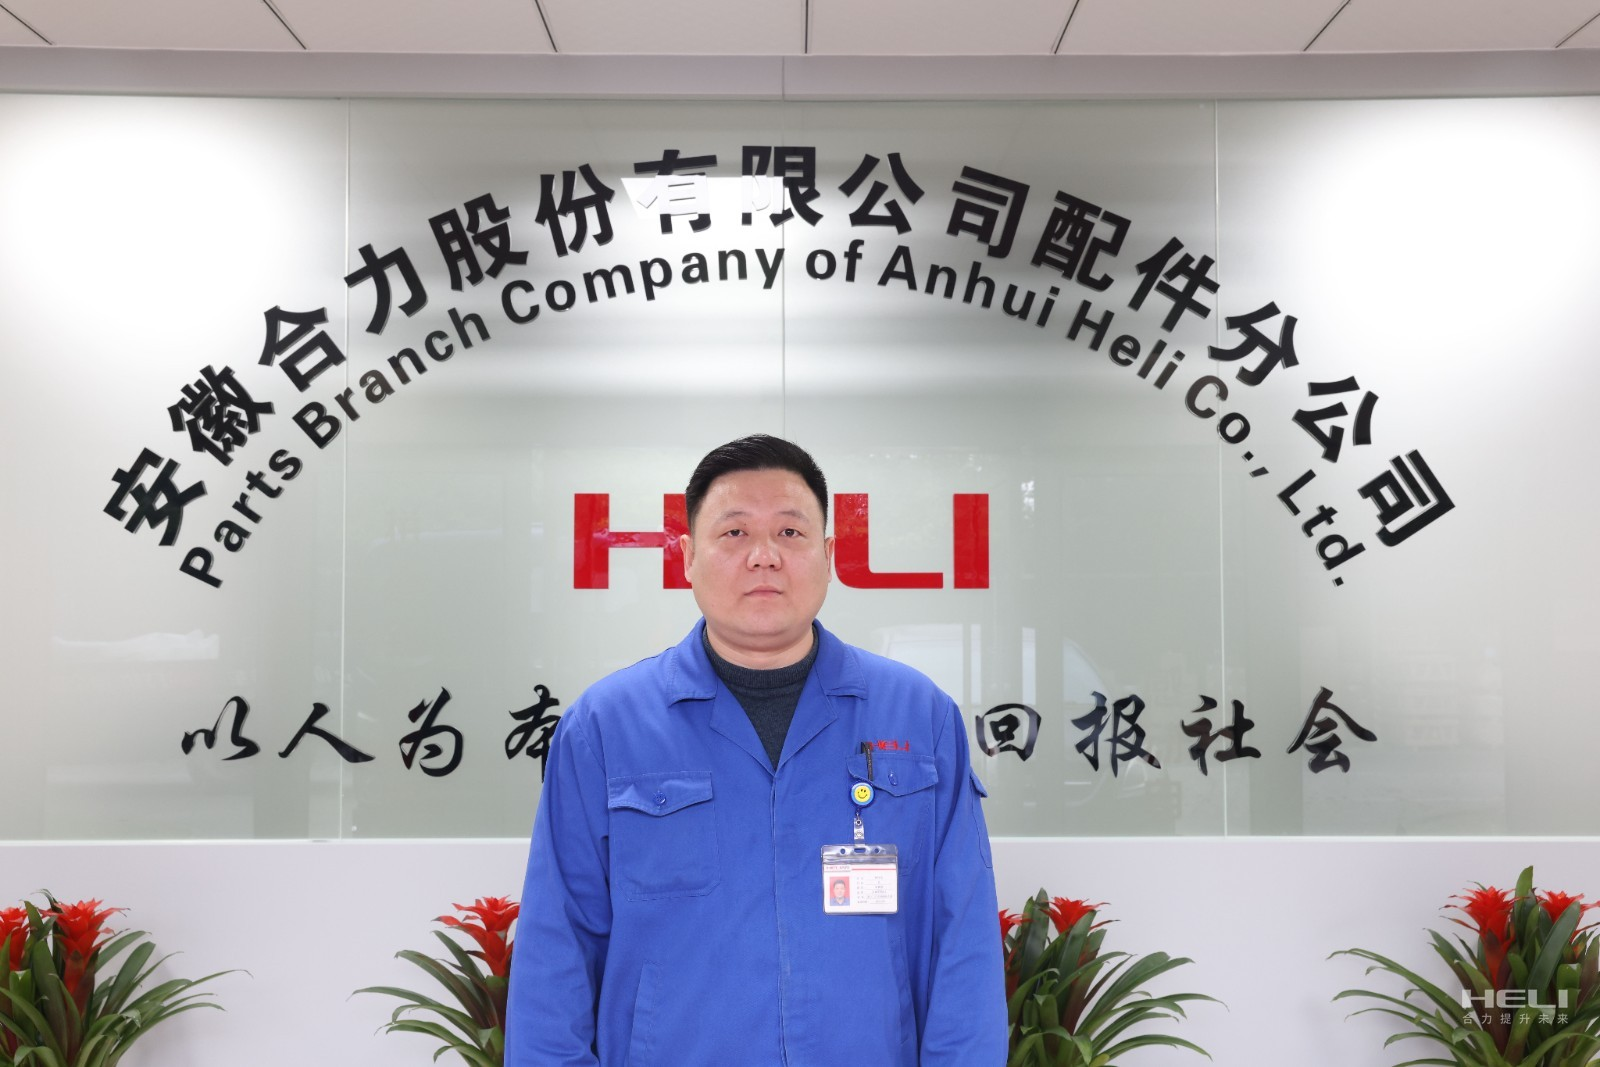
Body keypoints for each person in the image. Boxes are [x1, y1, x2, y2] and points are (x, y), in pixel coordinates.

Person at [506, 434, 1006, 1066]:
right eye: (735, 532)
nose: (764, 556)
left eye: (790, 533)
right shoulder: (605, 727)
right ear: (688, 557)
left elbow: (964, 942)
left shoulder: (919, 715)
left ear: (829, 555)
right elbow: (556, 955)